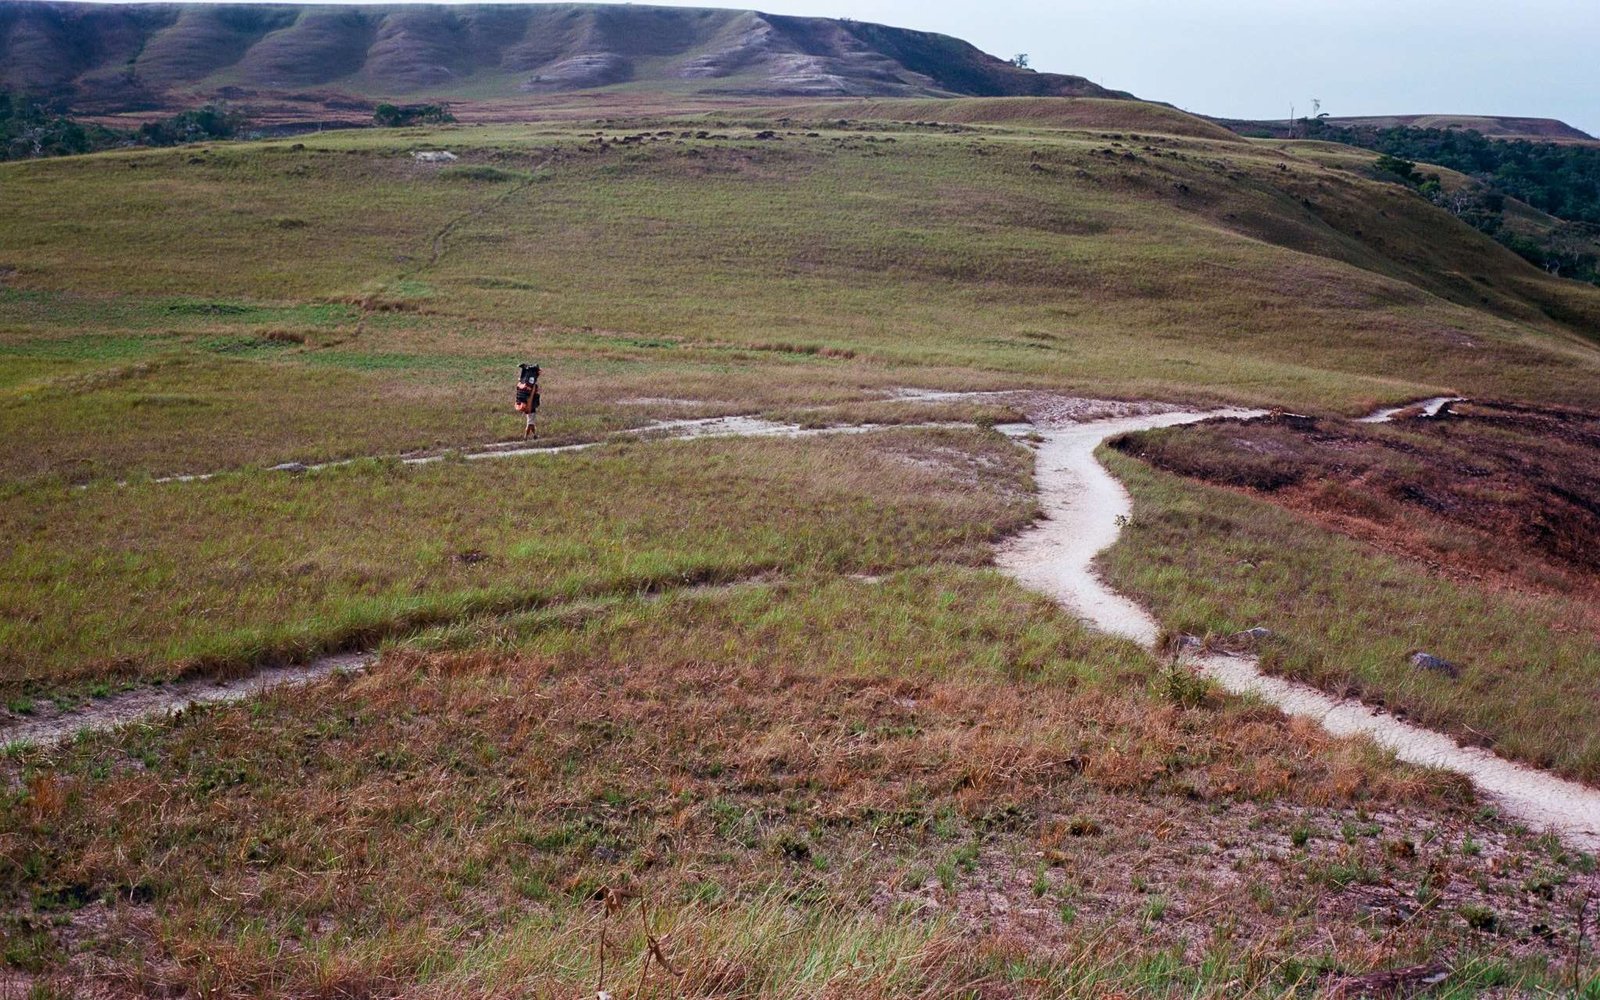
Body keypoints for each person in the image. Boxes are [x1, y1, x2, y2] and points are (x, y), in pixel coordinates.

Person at [514, 363, 541, 439]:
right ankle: (525, 437)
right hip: (530, 409)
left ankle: (535, 435)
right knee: (529, 424)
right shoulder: (532, 387)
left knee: (531, 423)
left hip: (526, 407)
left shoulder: (524, 385)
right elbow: (532, 394)